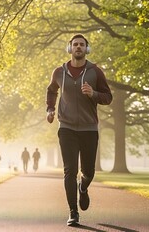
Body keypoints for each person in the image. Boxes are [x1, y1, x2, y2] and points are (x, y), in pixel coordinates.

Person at [46, 33, 112, 226]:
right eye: (75, 44)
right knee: (69, 170)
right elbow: (51, 91)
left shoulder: (95, 72)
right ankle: (73, 212)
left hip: (89, 128)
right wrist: (50, 109)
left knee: (89, 171)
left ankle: (83, 187)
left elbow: (108, 97)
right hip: (66, 127)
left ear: (87, 49)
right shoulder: (59, 72)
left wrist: (94, 94)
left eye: (82, 45)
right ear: (70, 48)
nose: (78, 47)